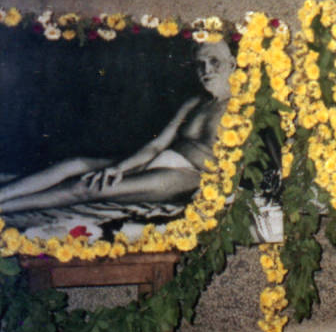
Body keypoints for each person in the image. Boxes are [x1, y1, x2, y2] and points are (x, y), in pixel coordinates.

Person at [0, 40, 236, 214]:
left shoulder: (240, 108)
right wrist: (119, 168)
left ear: (232, 64)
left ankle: (4, 209)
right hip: (158, 159)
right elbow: (156, 146)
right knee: (73, 164)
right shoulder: (194, 102)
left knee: (86, 187)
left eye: (214, 62)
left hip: (187, 176)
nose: (206, 70)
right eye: (200, 64)